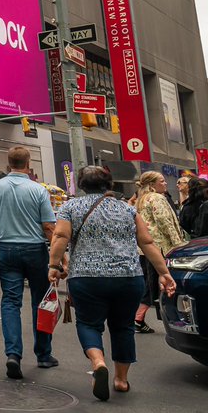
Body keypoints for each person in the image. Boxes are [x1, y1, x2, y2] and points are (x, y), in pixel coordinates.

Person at [48, 166, 177, 401]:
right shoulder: (127, 209)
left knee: (88, 324)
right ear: (109, 185)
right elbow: (147, 242)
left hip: (87, 278)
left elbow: (60, 237)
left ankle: (98, 363)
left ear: (82, 185)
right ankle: (121, 380)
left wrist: (54, 266)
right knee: (123, 327)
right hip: (128, 277)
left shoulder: (70, 207)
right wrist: (164, 272)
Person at [0, 146, 58, 379]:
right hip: (35, 250)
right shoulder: (38, 190)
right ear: (28, 165)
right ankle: (43, 354)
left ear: (9, 165)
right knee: (41, 301)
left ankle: (13, 354)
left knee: (11, 302)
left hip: (7, 250)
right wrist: (58, 255)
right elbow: (48, 226)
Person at [133, 171, 187, 332]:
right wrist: (179, 244)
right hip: (162, 248)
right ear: (152, 184)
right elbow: (165, 222)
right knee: (169, 282)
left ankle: (138, 318)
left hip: (145, 249)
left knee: (150, 285)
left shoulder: (140, 200)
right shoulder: (157, 198)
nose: (165, 184)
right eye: (162, 181)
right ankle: (175, 317)